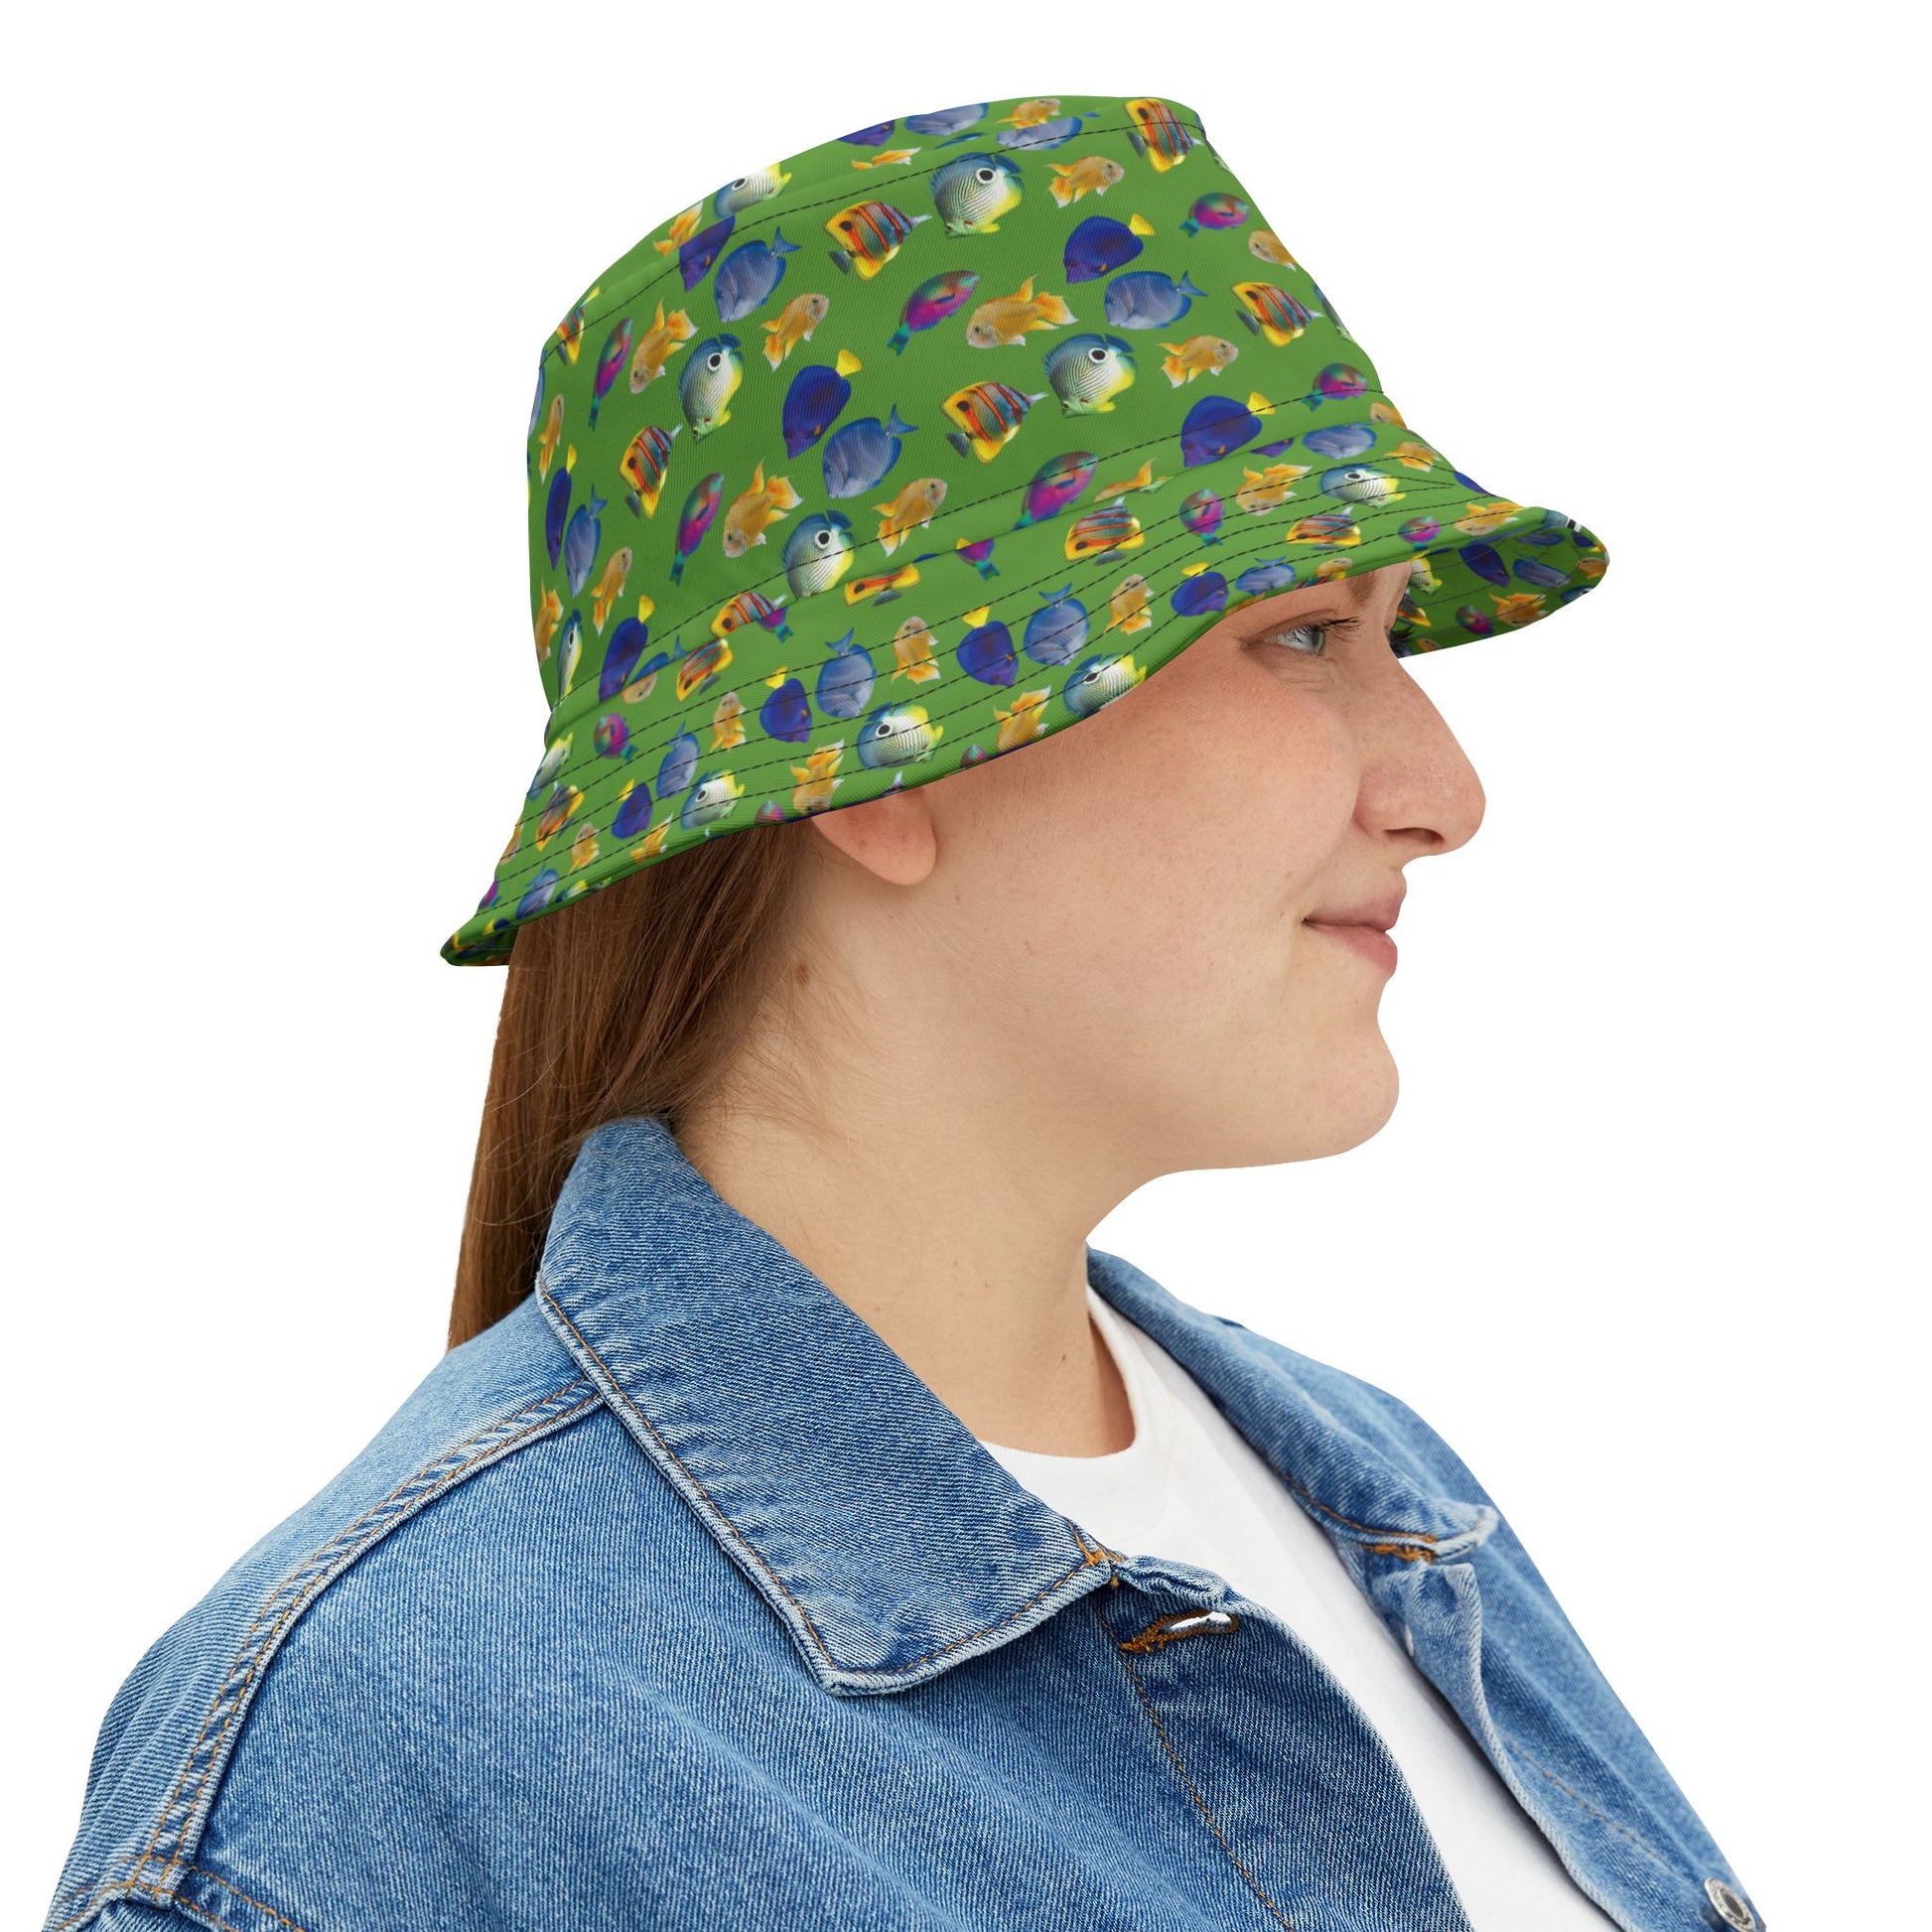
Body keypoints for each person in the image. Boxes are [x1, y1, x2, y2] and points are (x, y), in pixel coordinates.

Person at [44, 91, 1767, 1932]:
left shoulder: (1385, 1500)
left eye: (1386, 632)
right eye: (1300, 633)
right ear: (877, 753)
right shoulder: (375, 1751)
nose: (1444, 791)